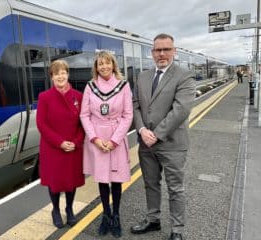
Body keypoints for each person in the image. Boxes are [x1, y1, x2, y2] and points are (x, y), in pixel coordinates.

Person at [131, 33, 195, 240]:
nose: (162, 53)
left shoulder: (184, 76)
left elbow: (181, 110)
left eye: (166, 49)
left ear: (174, 51)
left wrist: (156, 135)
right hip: (146, 143)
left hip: (172, 143)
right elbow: (135, 106)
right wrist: (141, 130)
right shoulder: (142, 77)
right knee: (150, 184)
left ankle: (177, 230)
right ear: (152, 53)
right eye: (158, 50)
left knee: (175, 188)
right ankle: (153, 220)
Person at [80, 51, 133, 238]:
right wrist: (94, 138)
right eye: (100, 64)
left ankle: (116, 215)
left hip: (115, 137)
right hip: (97, 139)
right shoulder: (90, 86)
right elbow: (84, 115)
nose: (104, 67)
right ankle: (106, 215)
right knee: (102, 179)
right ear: (96, 67)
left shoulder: (123, 86)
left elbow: (128, 115)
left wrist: (114, 141)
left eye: (107, 63)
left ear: (113, 65)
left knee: (116, 180)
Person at [36, 60, 85, 229]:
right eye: (56, 73)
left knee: (71, 181)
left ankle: (69, 209)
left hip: (73, 148)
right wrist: (60, 142)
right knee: (55, 182)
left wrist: (76, 142)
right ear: (52, 77)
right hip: (52, 148)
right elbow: (41, 124)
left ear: (68, 74)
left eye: (63, 72)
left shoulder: (78, 96)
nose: (60, 76)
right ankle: (56, 210)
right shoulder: (44, 97)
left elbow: (83, 124)